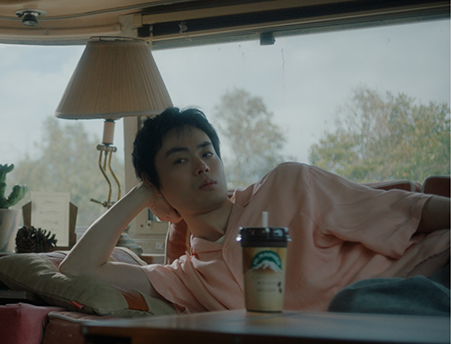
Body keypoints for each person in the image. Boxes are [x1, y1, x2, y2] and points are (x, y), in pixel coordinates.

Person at [59, 107, 450, 313]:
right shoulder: (189, 277)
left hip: (434, 274)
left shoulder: (287, 185)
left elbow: (410, 210)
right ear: (155, 182)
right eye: (179, 160)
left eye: (207, 153)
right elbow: (78, 270)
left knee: (353, 304)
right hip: (365, 336)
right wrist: (143, 193)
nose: (202, 166)